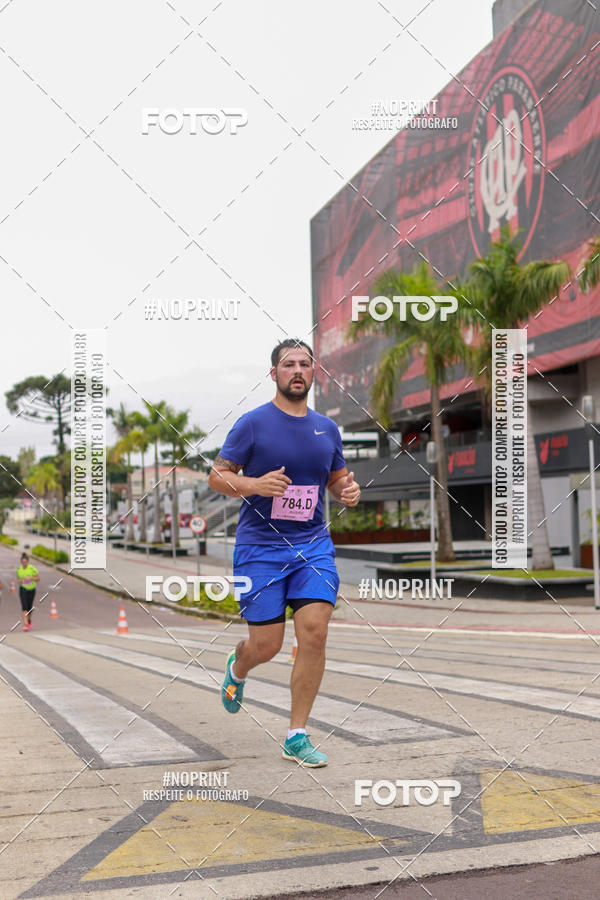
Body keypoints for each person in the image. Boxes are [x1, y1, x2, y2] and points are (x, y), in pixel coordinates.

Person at [208, 339, 360, 767]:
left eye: (305, 364)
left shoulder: (327, 429)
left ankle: (296, 735)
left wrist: (349, 490)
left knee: (315, 631)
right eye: (288, 364)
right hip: (260, 549)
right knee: (267, 645)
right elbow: (216, 477)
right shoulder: (253, 424)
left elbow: (338, 480)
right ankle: (238, 667)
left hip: (312, 546)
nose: (297, 370)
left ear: (314, 374)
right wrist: (256, 485)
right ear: (273, 373)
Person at [16, 553, 39, 631]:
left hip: (32, 589)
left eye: (25, 562)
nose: (24, 563)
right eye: (22, 562)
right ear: (21, 562)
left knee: (30, 607)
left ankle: (29, 620)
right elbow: (18, 580)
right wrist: (20, 581)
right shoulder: (19, 569)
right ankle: (25, 624)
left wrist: (30, 579)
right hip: (23, 589)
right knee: (24, 606)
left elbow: (38, 578)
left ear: (28, 562)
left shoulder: (32, 568)